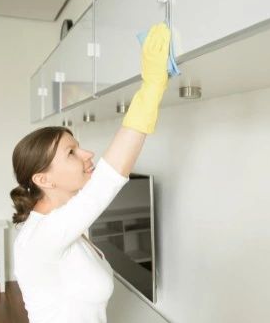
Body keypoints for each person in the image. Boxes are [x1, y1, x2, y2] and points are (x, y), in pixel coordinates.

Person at [10, 22, 171, 323]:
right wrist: (151, 87)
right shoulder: (43, 236)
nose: (87, 154)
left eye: (79, 146)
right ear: (44, 179)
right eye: (71, 152)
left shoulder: (60, 221)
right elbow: (109, 177)